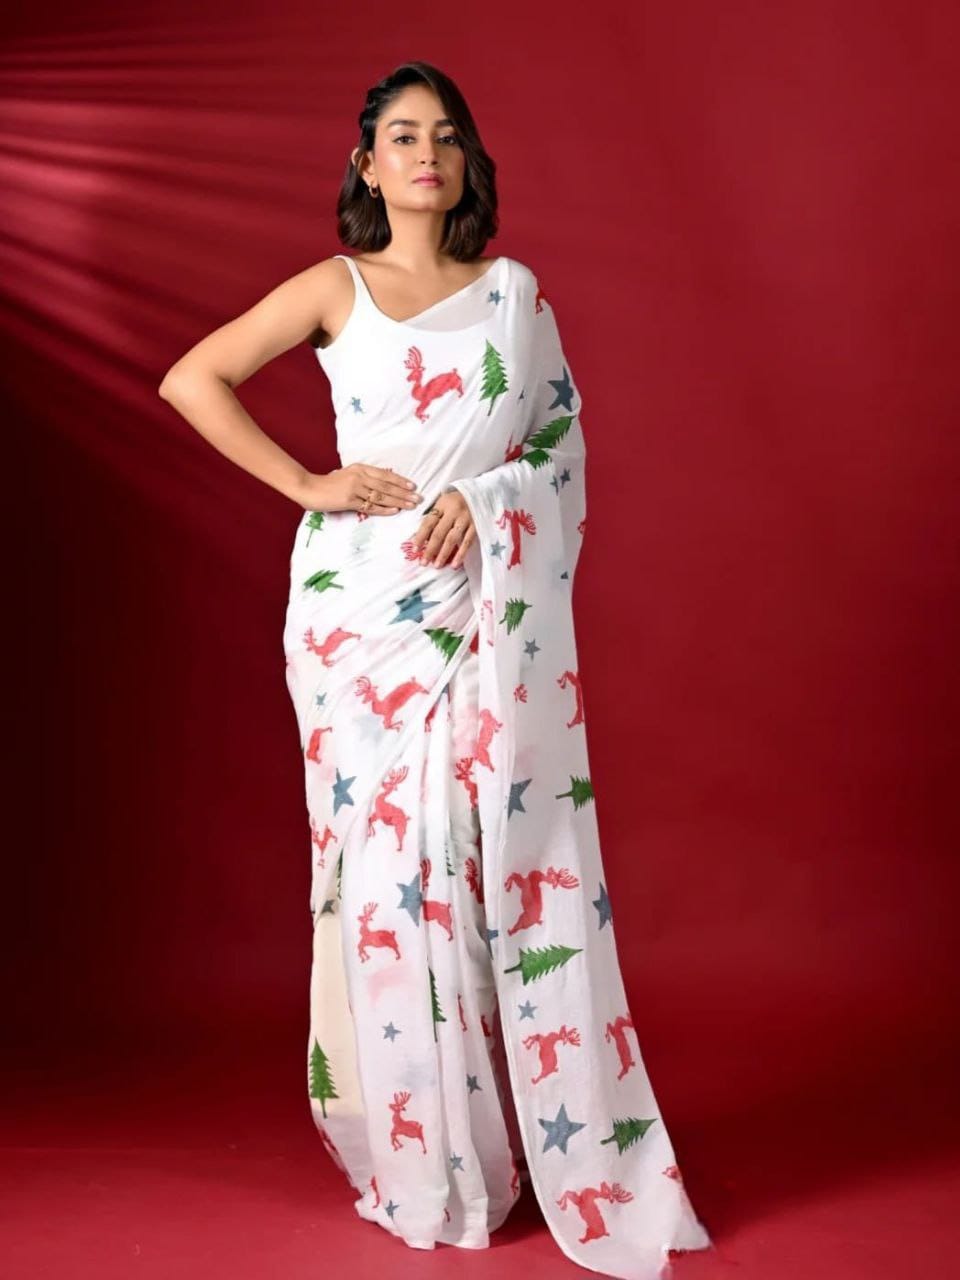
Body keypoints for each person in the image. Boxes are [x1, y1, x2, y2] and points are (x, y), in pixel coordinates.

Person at [159, 59, 713, 1280]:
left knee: (474, 867)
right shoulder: (334, 287)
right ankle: (426, 1163)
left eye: (446, 137)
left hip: (479, 612)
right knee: (380, 885)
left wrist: (487, 491)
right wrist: (307, 482)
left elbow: (560, 449)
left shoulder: (515, 298)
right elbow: (190, 376)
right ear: (367, 166)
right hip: (358, 624)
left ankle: (506, 1145)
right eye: (402, 136)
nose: (426, 154)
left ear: (466, 167)